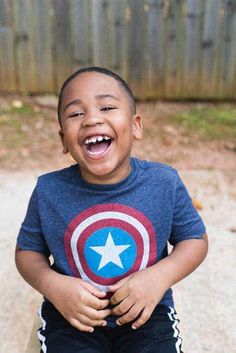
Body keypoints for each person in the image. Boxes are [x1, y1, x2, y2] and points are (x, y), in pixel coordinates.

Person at [15, 67, 208, 353]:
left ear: (135, 126)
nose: (92, 118)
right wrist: (54, 287)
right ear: (64, 141)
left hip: (146, 313)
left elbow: (194, 240)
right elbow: (28, 252)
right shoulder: (48, 191)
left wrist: (159, 277)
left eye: (107, 107)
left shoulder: (164, 182)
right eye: (75, 114)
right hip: (72, 317)